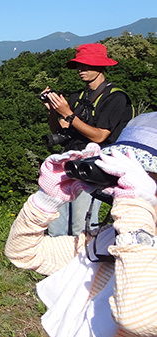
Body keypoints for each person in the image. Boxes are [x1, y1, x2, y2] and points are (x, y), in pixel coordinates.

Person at [4, 112, 157, 337]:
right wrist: (47, 200)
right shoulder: (109, 242)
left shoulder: (132, 236)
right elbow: (23, 253)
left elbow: (138, 316)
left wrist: (136, 208)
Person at [41, 43, 133, 237]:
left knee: (80, 227)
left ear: (101, 66)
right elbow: (61, 130)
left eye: (86, 65)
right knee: (56, 226)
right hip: (70, 163)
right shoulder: (79, 97)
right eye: (78, 66)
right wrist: (52, 113)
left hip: (93, 167)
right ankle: (59, 264)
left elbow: (100, 136)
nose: (80, 70)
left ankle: (87, 265)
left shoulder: (115, 98)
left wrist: (68, 114)